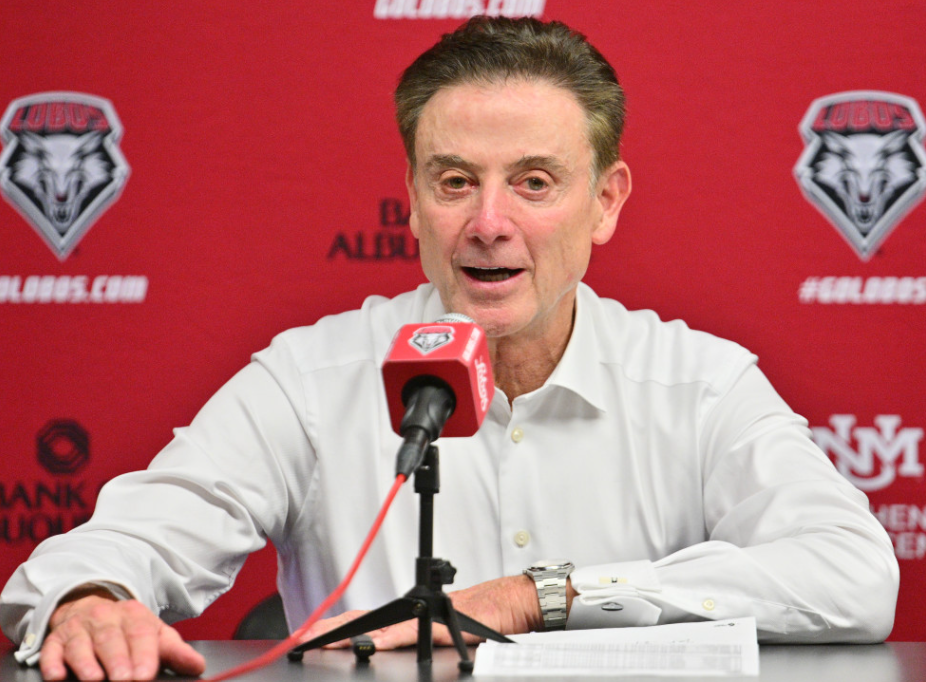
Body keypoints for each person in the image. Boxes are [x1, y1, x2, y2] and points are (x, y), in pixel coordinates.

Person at [1, 16, 899, 682]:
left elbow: (854, 576)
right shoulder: (313, 379)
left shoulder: (698, 384)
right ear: (413, 197)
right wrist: (89, 603)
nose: (489, 223)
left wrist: (534, 598)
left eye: (534, 183)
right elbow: (110, 550)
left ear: (607, 201)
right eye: (456, 181)